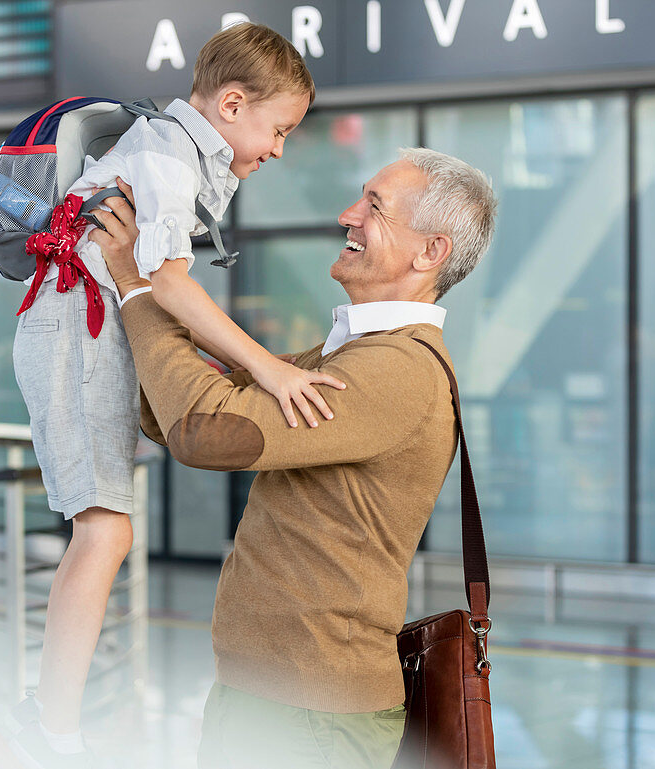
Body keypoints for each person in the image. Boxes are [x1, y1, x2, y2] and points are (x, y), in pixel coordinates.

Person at [88, 147, 498, 769]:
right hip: (270, 698)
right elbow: (181, 414)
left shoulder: (398, 369)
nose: (347, 214)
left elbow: (210, 430)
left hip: (312, 715)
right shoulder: (351, 353)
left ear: (430, 252)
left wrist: (138, 290)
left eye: (375, 207)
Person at [9, 22, 344, 768]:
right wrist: (270, 369)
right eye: (279, 129)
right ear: (231, 104)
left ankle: (52, 722)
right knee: (105, 531)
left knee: (106, 530)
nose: (281, 149)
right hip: (77, 328)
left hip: (90, 327)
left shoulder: (173, 152)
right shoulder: (164, 158)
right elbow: (165, 282)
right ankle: (51, 730)